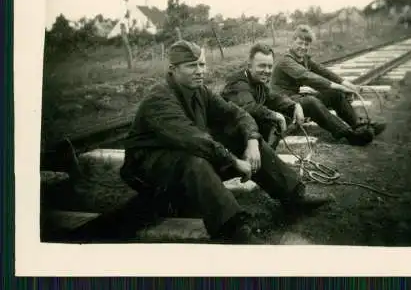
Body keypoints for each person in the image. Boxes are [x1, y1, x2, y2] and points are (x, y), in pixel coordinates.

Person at [120, 40, 331, 245]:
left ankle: (294, 197)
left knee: (239, 137)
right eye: (191, 66)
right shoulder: (159, 98)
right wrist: (234, 162)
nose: (199, 70)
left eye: (202, 64)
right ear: (173, 69)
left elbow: (237, 114)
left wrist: (252, 141)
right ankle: (232, 228)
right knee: (194, 160)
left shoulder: (200, 91)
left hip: (184, 163)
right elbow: (194, 139)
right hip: (151, 173)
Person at [221, 42, 372, 147]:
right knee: (310, 102)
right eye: (261, 66)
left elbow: (273, 97)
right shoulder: (238, 82)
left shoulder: (258, 81)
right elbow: (249, 107)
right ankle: (348, 134)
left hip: (253, 127)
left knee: (318, 99)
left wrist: (295, 105)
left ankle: (356, 128)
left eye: (269, 66)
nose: (267, 70)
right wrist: (275, 115)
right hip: (230, 135)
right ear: (249, 65)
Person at [270, 24, 386, 145]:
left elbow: (326, 73)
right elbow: (308, 77)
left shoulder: (304, 59)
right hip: (282, 104)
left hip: (294, 98)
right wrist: (342, 88)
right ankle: (348, 134)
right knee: (311, 102)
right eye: (300, 43)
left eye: (306, 44)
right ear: (292, 42)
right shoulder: (285, 61)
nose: (303, 47)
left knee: (334, 93)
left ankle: (358, 125)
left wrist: (349, 85)